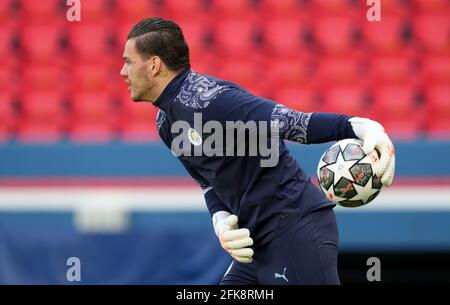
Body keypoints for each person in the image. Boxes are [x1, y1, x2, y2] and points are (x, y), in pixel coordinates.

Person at [119, 17, 396, 285]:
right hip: (257, 242)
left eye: (128, 62)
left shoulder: (212, 101)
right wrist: (221, 218)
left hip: (295, 228)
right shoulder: (165, 122)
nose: (123, 72)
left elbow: (293, 124)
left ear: (154, 65)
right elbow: (207, 180)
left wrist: (359, 127)